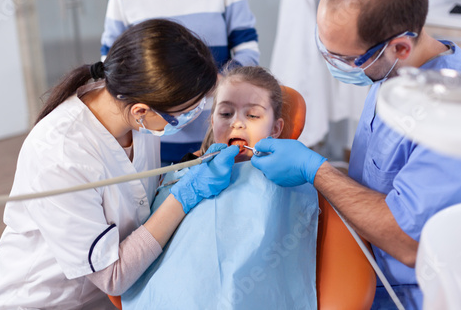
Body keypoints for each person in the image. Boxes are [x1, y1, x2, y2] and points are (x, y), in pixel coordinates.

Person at [250, 0, 461, 309]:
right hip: (358, 257)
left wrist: (317, 171)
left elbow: (408, 242)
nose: (333, 65)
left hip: (404, 292)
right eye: (324, 48)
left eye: (346, 59)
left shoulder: (451, 116)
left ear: (400, 47)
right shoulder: (394, 74)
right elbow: (378, 178)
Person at [0, 19, 239, 309]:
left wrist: (180, 176)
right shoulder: (60, 153)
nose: (191, 120)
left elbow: (137, 200)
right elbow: (113, 276)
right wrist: (183, 198)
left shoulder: (138, 117)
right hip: (41, 301)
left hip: (110, 298)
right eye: (184, 115)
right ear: (141, 111)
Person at [119, 66, 318, 309]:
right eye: (225, 113)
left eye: (253, 115)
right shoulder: (183, 173)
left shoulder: (290, 181)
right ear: (212, 121)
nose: (237, 123)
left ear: (276, 129)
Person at [101, 0, 260, 165]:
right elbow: (111, 65)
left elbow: (248, 49)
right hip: (155, 135)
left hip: (215, 128)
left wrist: (219, 82)